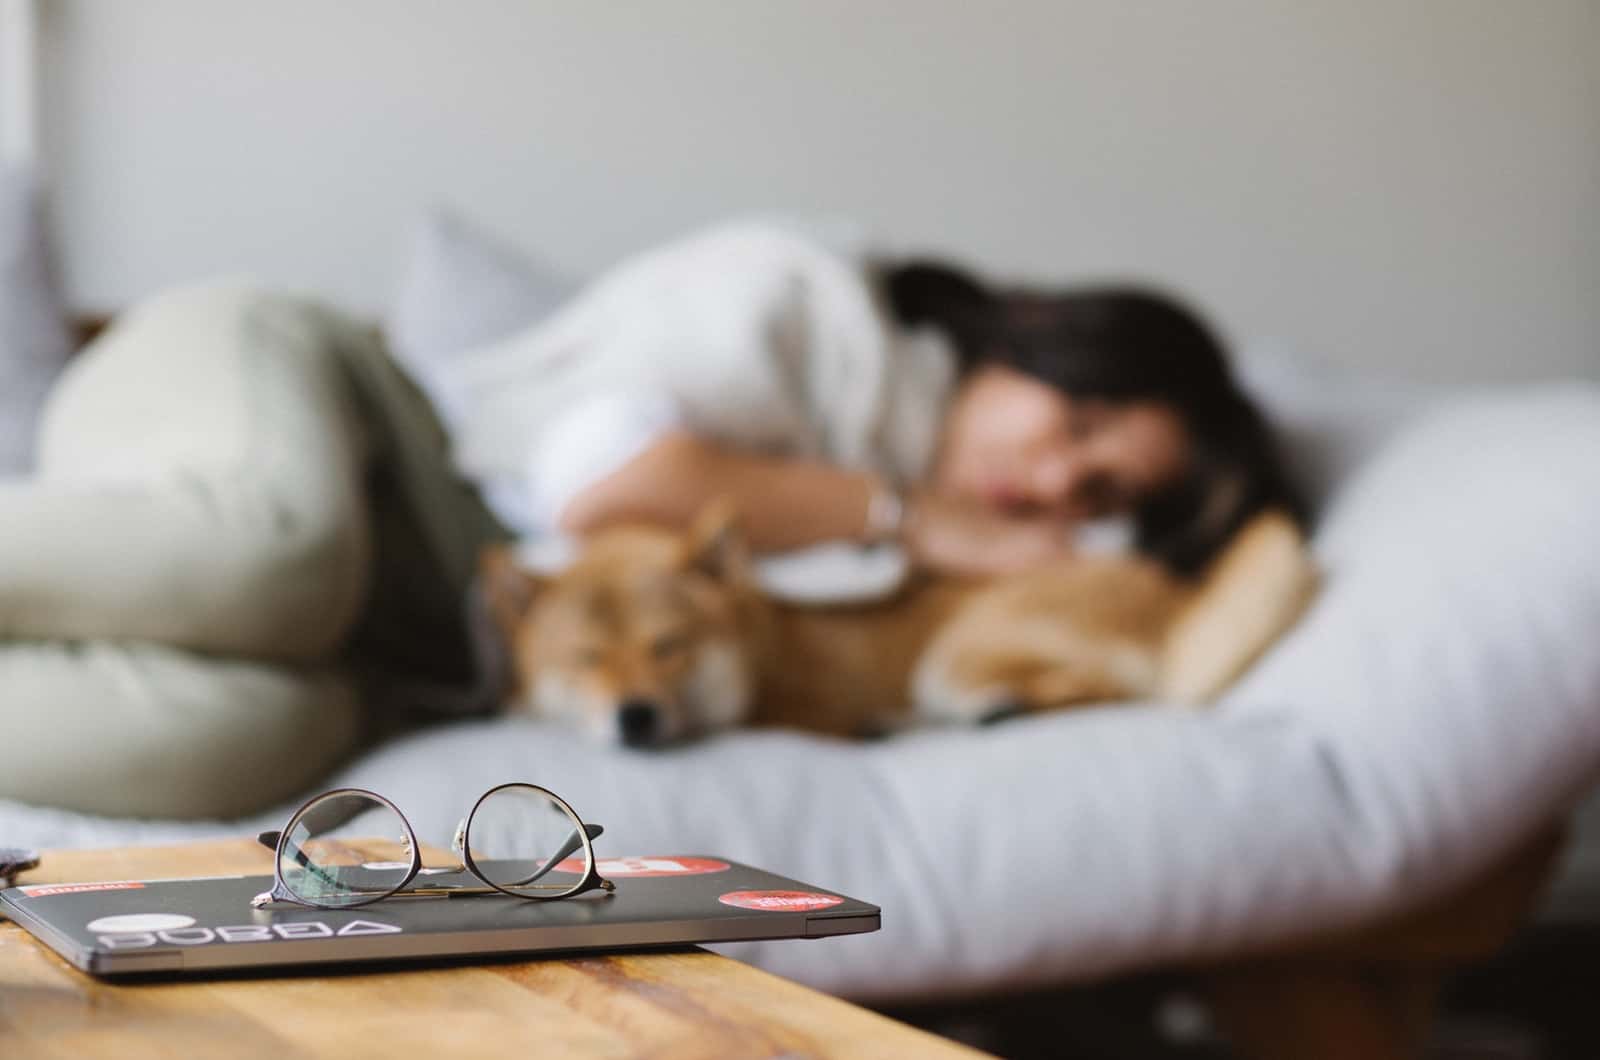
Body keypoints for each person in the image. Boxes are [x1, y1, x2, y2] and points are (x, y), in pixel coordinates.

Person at [440, 221, 1301, 580]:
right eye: (1076, 422)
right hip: (386, 440)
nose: (1051, 485)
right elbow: (601, 487)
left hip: (443, 596)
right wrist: (906, 515)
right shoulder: (817, 308)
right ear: (1031, 337)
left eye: (1099, 491)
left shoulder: (896, 474)